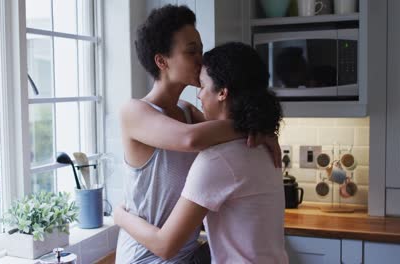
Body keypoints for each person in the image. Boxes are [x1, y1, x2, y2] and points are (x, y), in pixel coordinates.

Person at [116, 5, 281, 263]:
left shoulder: (186, 111)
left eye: (200, 49)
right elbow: (189, 139)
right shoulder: (134, 112)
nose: (201, 59)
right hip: (145, 257)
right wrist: (254, 123)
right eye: (191, 51)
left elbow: (231, 140)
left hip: (183, 255)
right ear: (162, 61)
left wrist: (261, 130)